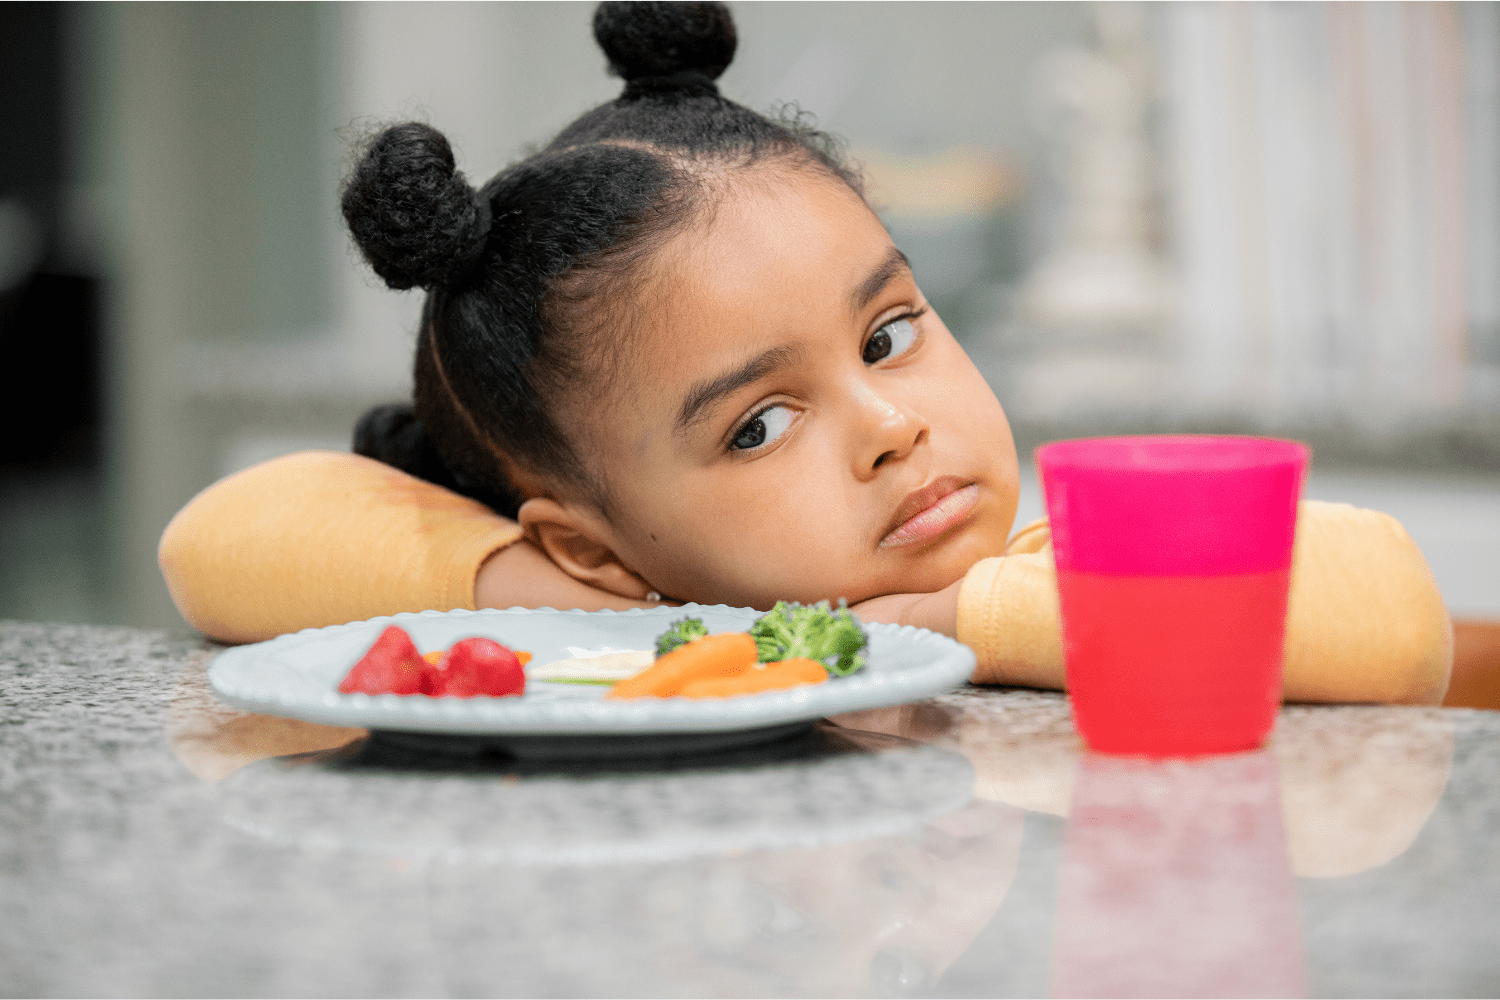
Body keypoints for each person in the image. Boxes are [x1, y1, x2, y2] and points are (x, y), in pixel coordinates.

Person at [158, 2, 1452, 705]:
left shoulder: (1037, 569)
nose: (891, 423)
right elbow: (217, 539)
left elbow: (1393, 616)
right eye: (758, 425)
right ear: (594, 544)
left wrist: (940, 622)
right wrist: (625, 612)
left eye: (889, 334)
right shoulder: (658, 620)